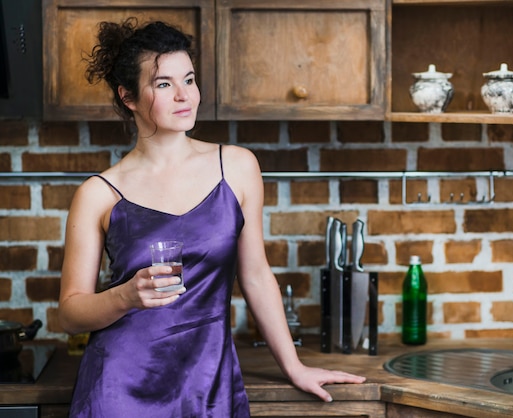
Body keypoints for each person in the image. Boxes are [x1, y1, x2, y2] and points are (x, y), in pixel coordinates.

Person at [58, 18, 365, 418]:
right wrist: (125, 295)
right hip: (119, 388)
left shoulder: (236, 167)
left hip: (208, 382)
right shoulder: (98, 193)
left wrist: (294, 366)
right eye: (164, 84)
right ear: (128, 96)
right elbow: (69, 313)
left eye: (189, 79)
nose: (185, 96)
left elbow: (255, 275)